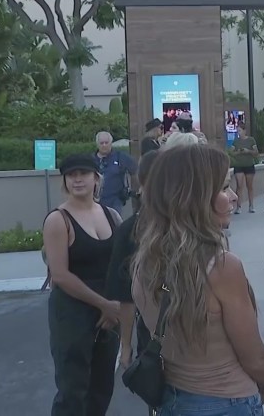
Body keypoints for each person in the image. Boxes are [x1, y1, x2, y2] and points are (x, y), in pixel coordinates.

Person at [132, 144, 264, 414]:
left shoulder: (144, 261)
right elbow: (254, 357)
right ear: (195, 198)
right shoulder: (222, 267)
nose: (234, 196)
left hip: (173, 400)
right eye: (223, 188)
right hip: (226, 402)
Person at [44, 153, 122, 416]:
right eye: (71, 175)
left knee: (101, 387)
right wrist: (105, 305)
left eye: (83, 173)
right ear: (64, 181)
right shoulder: (58, 220)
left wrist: (116, 306)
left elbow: (122, 263)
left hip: (109, 312)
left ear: (96, 177)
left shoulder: (111, 215)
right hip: (73, 312)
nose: (77, 179)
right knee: (72, 389)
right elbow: (60, 275)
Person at [105, 150, 159, 370]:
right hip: (153, 342)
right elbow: (125, 297)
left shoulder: (188, 226)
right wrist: (125, 346)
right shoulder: (129, 232)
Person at [92, 131, 137, 216]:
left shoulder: (121, 157)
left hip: (115, 201)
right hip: (94, 201)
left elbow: (136, 171)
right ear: (97, 144)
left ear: (111, 143)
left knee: (114, 225)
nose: (104, 145)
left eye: (106, 142)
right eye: (101, 143)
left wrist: (137, 189)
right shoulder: (91, 160)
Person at [231, 124, 259, 214]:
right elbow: (232, 152)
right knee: (239, 186)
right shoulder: (236, 141)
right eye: (237, 131)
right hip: (239, 165)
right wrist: (238, 152)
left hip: (249, 164)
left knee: (249, 186)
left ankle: (251, 205)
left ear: (244, 131)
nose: (239, 133)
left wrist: (248, 151)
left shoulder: (251, 140)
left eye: (240, 131)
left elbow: (256, 152)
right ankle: (238, 207)